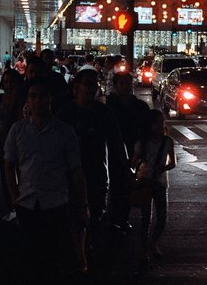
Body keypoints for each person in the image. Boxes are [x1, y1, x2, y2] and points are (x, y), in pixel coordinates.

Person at [4, 78, 89, 280]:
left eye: (42, 96)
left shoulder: (64, 131)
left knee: (53, 258)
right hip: (27, 202)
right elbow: (9, 165)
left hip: (55, 203)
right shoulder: (18, 130)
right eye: (33, 96)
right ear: (28, 101)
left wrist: (82, 204)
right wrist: (14, 195)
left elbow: (76, 170)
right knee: (29, 258)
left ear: (50, 99)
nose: (38, 101)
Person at [58, 69, 128, 266]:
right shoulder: (67, 112)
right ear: (76, 88)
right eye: (88, 84)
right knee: (73, 211)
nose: (92, 88)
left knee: (96, 212)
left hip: (96, 170)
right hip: (70, 171)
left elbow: (116, 141)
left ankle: (88, 247)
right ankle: (78, 251)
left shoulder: (103, 112)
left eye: (95, 84)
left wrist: (126, 166)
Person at [131, 109, 176, 266]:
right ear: (149, 125)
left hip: (160, 182)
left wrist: (161, 169)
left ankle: (154, 242)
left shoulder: (168, 142)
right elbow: (133, 163)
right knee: (145, 218)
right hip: (145, 182)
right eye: (155, 123)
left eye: (161, 122)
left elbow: (173, 163)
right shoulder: (142, 143)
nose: (158, 126)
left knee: (162, 217)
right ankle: (144, 249)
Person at [106, 72, 149, 233]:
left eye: (128, 84)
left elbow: (145, 130)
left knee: (129, 186)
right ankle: (113, 218)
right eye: (122, 84)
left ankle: (122, 218)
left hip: (134, 151)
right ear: (116, 86)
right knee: (116, 186)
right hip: (113, 151)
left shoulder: (139, 106)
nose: (126, 87)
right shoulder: (109, 106)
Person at [0, 69, 24, 222]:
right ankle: (11, 206)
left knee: (22, 175)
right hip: (1, 140)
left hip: (18, 141)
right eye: (6, 81)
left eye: (11, 81)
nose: (8, 84)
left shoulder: (22, 99)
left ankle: (21, 207)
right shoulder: (1, 97)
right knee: (6, 176)